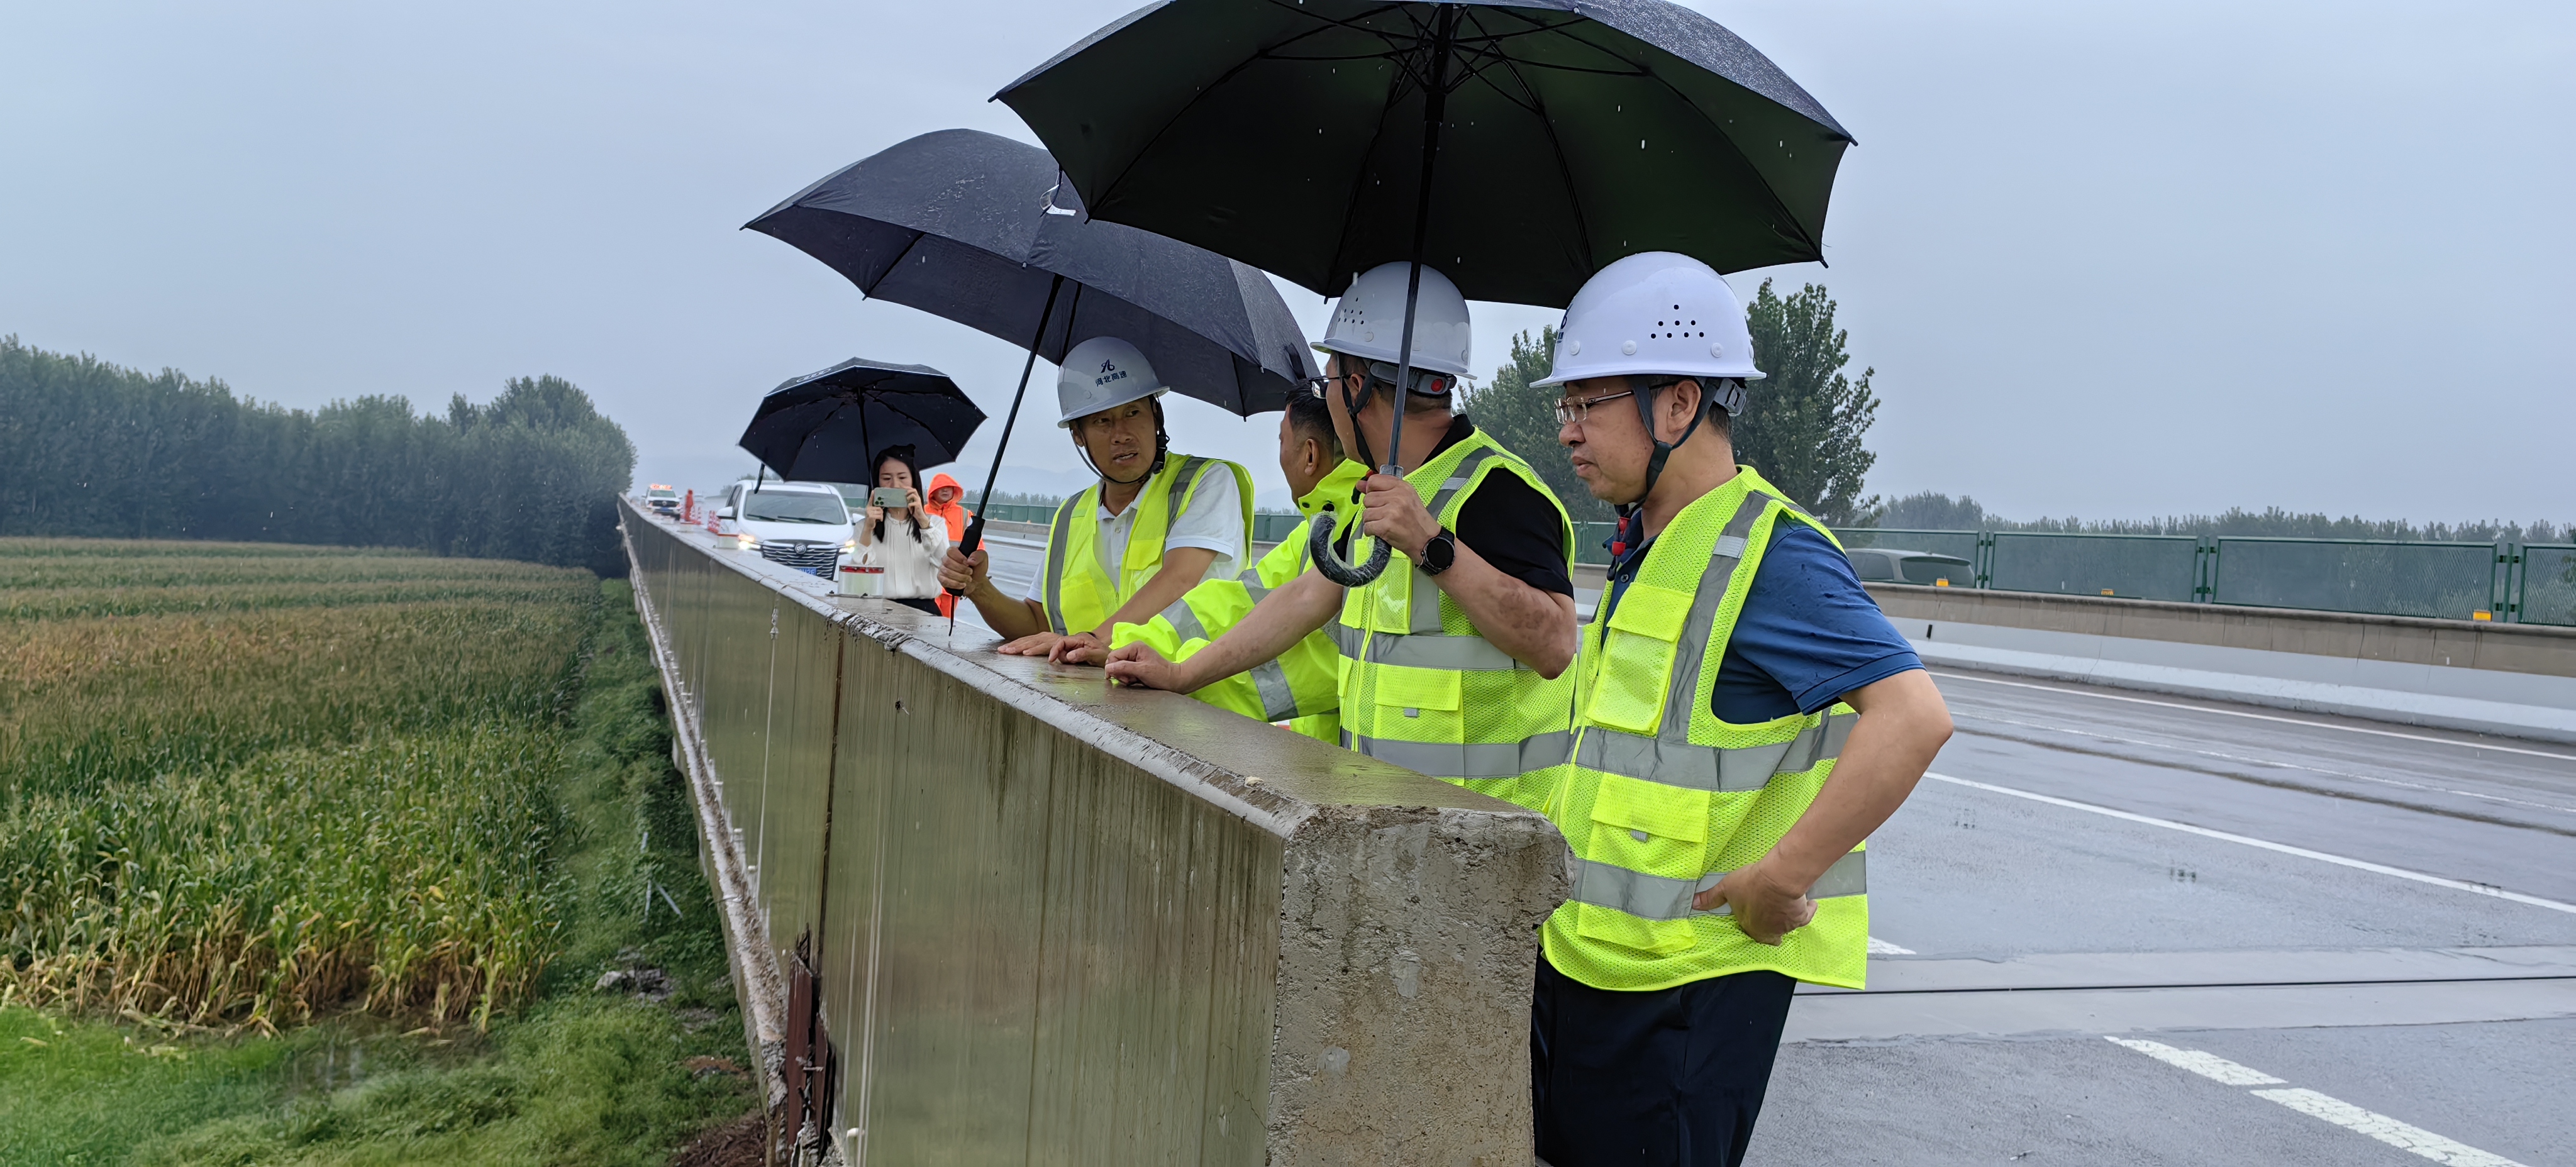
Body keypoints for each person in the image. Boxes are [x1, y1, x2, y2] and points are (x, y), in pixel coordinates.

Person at [1520, 253, 1953, 1167]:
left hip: (1687, 992)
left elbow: (1913, 717)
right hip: (1593, 962)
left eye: (1587, 404)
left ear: (1678, 405)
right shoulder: (1649, 543)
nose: (1567, 431)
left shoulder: (1773, 555)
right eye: (1566, 406)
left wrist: (1782, 876)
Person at [1105, 261, 1579, 810]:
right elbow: (1306, 597)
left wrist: (1431, 545)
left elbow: (1554, 644)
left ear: (1356, 388)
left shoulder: (1497, 490)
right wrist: (1182, 673)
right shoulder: (1383, 490)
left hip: (1484, 833)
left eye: (1329, 381)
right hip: (1389, 821)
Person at [939, 335, 1252, 664]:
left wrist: (1089, 641)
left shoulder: (1204, 483)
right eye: (1103, 421)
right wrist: (979, 588)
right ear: (1078, 435)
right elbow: (1037, 625)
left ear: (1156, 415)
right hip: (1092, 694)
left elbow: (1180, 578)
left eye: (1133, 412)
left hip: (1194, 693)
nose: (1122, 434)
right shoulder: (1071, 515)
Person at [1106, 388, 1365, 741]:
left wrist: (1177, 675)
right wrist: (1122, 646)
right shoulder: (1319, 530)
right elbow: (1238, 601)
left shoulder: (1362, 531)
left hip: (1370, 768)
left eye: (1281, 441)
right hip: (1336, 759)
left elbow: (1289, 670)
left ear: (1309, 455)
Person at [853, 445, 951, 616]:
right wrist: (868, 529)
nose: (895, 485)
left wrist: (922, 520)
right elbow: (859, 578)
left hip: (924, 614)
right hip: (879, 613)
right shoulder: (864, 526)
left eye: (902, 477)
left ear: (914, 480)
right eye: (886, 478)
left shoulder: (935, 524)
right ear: (877, 483)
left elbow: (944, 564)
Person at [921, 472, 971, 617]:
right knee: (926, 618)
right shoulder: (921, 512)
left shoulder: (965, 514)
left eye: (949, 487)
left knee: (946, 622)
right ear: (933, 491)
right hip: (927, 578)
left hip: (952, 578)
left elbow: (976, 545)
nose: (945, 490)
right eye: (941, 487)